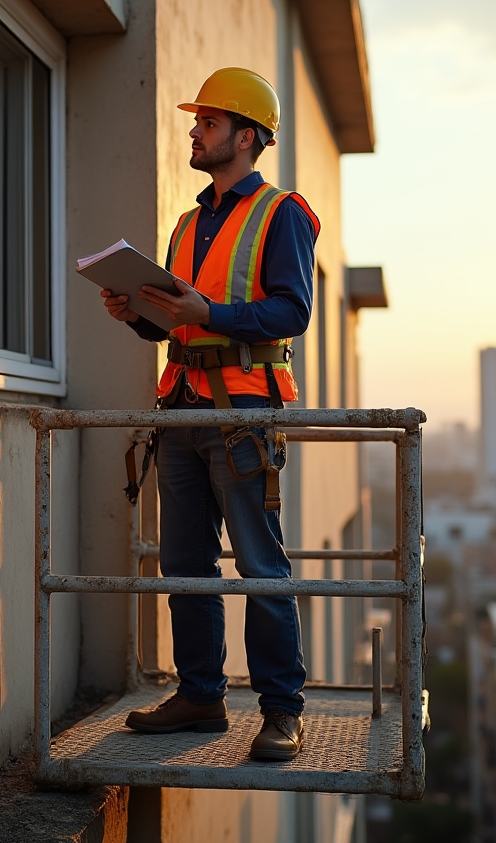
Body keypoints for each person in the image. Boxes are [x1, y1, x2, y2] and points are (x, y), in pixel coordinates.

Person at [99, 67, 320, 761]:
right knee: (186, 563)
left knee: (260, 565)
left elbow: (293, 311)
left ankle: (283, 711)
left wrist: (210, 312)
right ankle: (201, 696)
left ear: (247, 136)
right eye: (197, 122)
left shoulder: (281, 213)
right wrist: (134, 313)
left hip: (242, 414)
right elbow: (177, 327)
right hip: (180, 412)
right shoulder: (189, 222)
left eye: (209, 122)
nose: (194, 131)